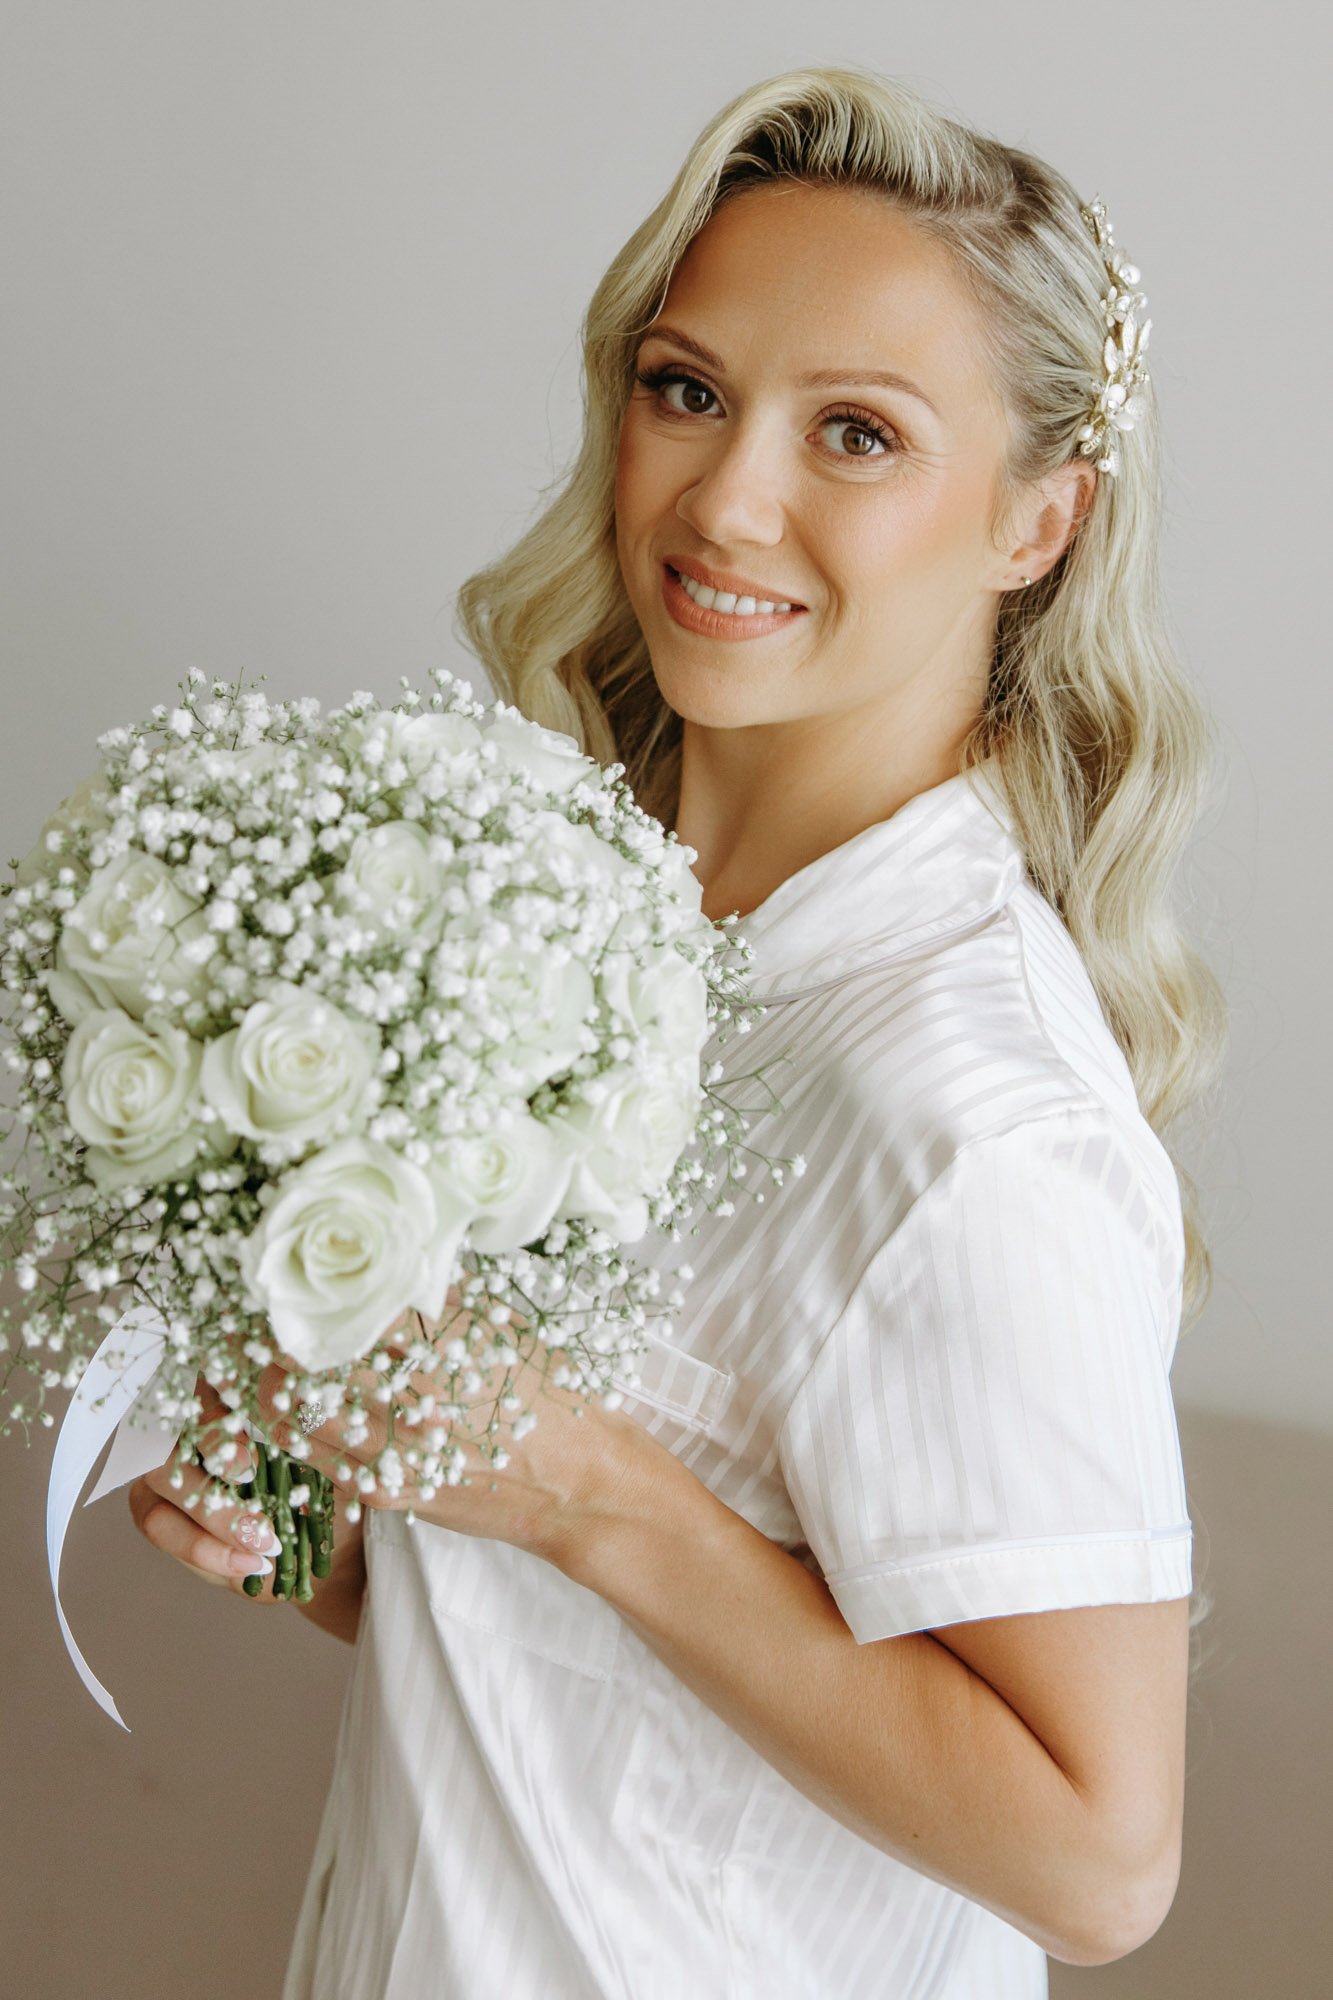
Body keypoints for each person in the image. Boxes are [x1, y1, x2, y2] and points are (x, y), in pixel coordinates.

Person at [129, 63, 1227, 1999]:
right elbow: (603, 1660)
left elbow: (1097, 1850)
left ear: (1036, 519)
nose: (725, 498)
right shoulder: (582, 935)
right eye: (686, 388)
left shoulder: (968, 1107)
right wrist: (327, 1519)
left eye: (858, 434)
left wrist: (569, 1476)